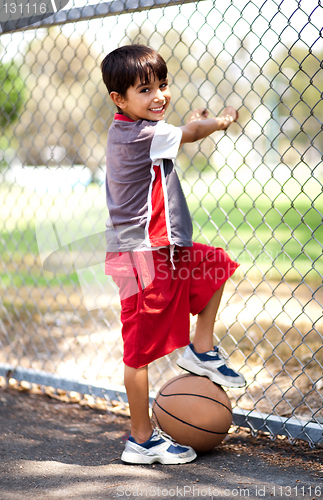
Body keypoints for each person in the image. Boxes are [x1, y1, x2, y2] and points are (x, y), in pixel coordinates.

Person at [101, 44, 246, 465]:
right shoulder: (140, 134)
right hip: (139, 258)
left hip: (164, 250)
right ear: (119, 100)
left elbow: (178, 133)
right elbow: (189, 135)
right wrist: (217, 123)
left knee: (216, 265)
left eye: (162, 85)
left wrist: (191, 124)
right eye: (145, 89)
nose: (158, 95)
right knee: (139, 352)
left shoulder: (134, 128)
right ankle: (141, 440)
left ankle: (200, 350)